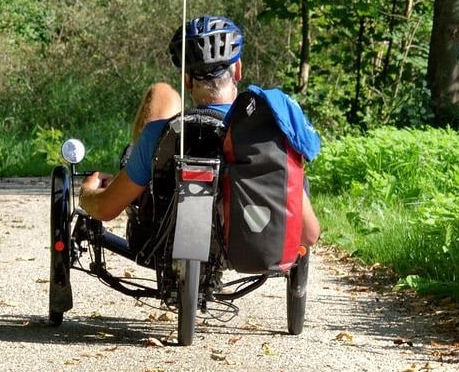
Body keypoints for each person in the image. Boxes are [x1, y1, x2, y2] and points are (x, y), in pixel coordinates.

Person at [78, 15, 321, 249]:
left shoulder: (158, 134)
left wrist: (87, 192)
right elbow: (309, 234)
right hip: (246, 243)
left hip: (163, 247)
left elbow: (105, 209)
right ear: (237, 70)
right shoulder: (264, 135)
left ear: (186, 81)